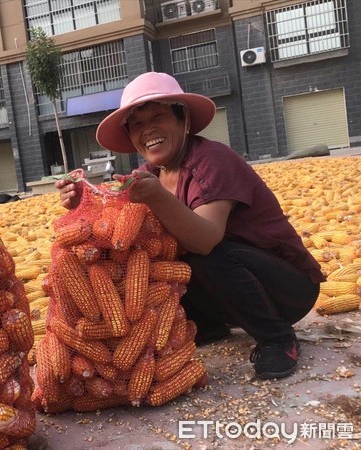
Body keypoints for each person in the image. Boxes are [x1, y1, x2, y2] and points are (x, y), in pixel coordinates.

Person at [55, 72, 324, 380]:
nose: (148, 130)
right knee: (149, 261)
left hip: (287, 289)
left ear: (184, 120)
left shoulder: (212, 160)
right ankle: (208, 325)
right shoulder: (148, 173)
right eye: (137, 125)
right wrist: (83, 202)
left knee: (201, 254)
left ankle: (277, 337)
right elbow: (119, 233)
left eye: (158, 116)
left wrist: (157, 198)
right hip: (230, 294)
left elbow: (206, 240)